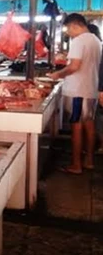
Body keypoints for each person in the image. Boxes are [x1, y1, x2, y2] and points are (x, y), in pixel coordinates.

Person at [49, 13, 102, 174]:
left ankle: (76, 164)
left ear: (75, 25)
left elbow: (74, 66)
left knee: (76, 127)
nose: (68, 33)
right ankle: (89, 161)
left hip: (77, 91)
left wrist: (57, 75)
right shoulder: (96, 40)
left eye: (67, 29)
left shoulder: (78, 41)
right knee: (89, 124)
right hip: (91, 89)